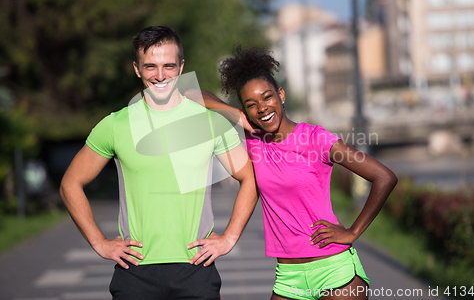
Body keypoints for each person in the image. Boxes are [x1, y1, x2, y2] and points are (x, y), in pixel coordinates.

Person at [60, 27, 258, 300]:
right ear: (136, 69)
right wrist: (100, 243)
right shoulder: (115, 125)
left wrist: (229, 238)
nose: (161, 75)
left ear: (181, 67)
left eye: (169, 66)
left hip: (196, 270)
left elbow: (250, 179)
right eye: (150, 66)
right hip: (135, 272)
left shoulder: (210, 123)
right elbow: (70, 184)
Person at [185, 45, 398, 300]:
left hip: (334, 271)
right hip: (288, 275)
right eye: (251, 104)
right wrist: (238, 117)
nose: (262, 108)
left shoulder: (316, 139)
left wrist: (353, 232)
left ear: (281, 94)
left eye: (267, 97)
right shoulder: (255, 138)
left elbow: (384, 177)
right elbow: (191, 94)